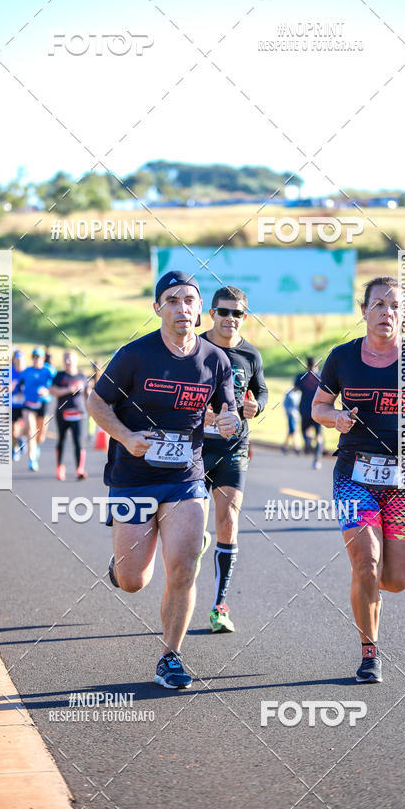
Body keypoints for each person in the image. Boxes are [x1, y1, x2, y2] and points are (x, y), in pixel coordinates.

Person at [87, 270, 239, 689]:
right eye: (172, 300)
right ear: (158, 308)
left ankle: (170, 657)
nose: (182, 308)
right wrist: (126, 437)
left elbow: (228, 411)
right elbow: (97, 403)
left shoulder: (215, 360)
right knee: (133, 581)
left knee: (183, 568)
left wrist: (230, 421)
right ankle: (124, 563)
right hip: (133, 477)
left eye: (189, 300)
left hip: (186, 477)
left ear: (199, 308)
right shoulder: (134, 355)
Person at [312, 276, 405, 684]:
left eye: (395, 306)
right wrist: (336, 418)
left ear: (404, 315)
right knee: (366, 562)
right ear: (364, 311)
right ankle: (369, 653)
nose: (386, 313)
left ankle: (370, 590)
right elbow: (319, 407)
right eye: (378, 304)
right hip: (353, 473)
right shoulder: (342, 357)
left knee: (397, 578)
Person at [200, 286, 268, 633]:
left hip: (233, 448)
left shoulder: (250, 354)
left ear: (245, 316)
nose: (230, 318)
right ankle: (194, 541)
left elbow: (262, 390)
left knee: (227, 520)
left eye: (237, 313)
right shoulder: (194, 347)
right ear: (211, 314)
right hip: (195, 449)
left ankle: (219, 606)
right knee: (190, 527)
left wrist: (257, 406)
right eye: (223, 312)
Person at [50, 350, 89, 480]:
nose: (67, 361)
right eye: (65, 359)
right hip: (62, 413)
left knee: (78, 441)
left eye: (70, 358)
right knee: (61, 439)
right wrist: (68, 389)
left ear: (76, 360)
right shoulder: (59, 376)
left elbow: (88, 395)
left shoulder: (82, 377)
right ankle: (59, 468)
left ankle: (80, 469)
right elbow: (52, 390)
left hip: (79, 413)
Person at [15, 347, 55, 471]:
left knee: (40, 436)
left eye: (39, 357)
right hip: (29, 404)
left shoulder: (49, 370)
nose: (37, 359)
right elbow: (19, 385)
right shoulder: (27, 371)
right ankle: (32, 460)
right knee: (31, 431)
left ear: (43, 358)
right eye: (35, 357)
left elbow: (56, 384)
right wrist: (19, 392)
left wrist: (47, 390)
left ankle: (29, 442)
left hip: (43, 404)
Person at [295, 357, 324, 469]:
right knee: (319, 435)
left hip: (305, 409)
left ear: (307, 366)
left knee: (304, 431)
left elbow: (295, 389)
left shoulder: (301, 376)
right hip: (319, 409)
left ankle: (308, 443)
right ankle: (317, 459)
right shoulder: (322, 376)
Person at [11, 350, 27, 461]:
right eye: (17, 360)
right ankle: (14, 448)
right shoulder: (9, 371)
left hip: (26, 404)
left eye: (21, 360)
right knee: (13, 430)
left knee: (28, 426)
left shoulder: (28, 371)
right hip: (13, 404)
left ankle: (22, 438)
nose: (19, 362)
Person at [282, 385, 301, 454]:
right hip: (291, 415)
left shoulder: (299, 392)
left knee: (291, 431)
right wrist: (289, 412)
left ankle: (285, 446)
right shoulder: (289, 393)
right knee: (293, 430)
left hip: (297, 415)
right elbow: (285, 404)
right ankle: (296, 447)